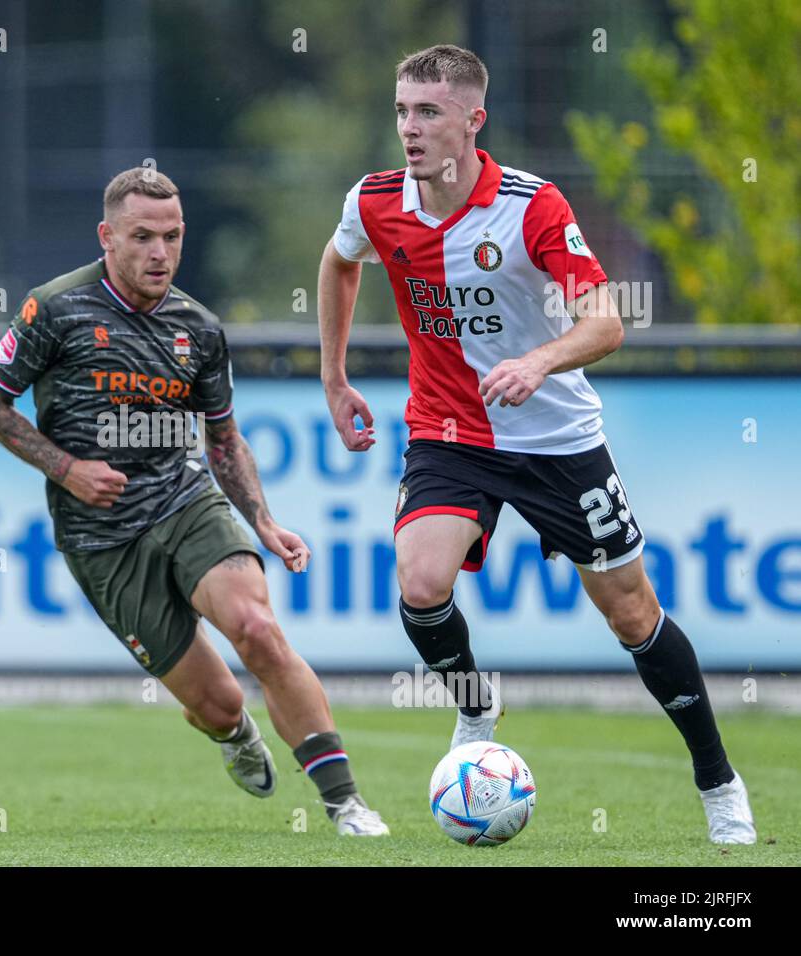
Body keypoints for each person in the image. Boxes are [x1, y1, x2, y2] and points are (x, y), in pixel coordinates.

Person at [316, 44, 754, 844]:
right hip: (449, 430)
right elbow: (340, 261)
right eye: (403, 111)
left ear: (472, 121)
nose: (410, 129)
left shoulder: (531, 206)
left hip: (555, 437)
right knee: (419, 582)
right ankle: (476, 702)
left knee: (631, 614)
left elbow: (607, 321)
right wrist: (335, 376)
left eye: (429, 113)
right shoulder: (376, 201)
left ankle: (718, 781)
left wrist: (539, 361)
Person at [0, 167, 389, 835]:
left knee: (257, 628)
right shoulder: (54, 308)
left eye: (172, 237)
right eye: (142, 237)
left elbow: (223, 440)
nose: (160, 253)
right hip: (101, 538)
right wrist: (69, 468)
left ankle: (346, 804)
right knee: (217, 704)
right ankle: (236, 736)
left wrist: (263, 521)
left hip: (185, 500)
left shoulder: (198, 327)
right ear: (108, 237)